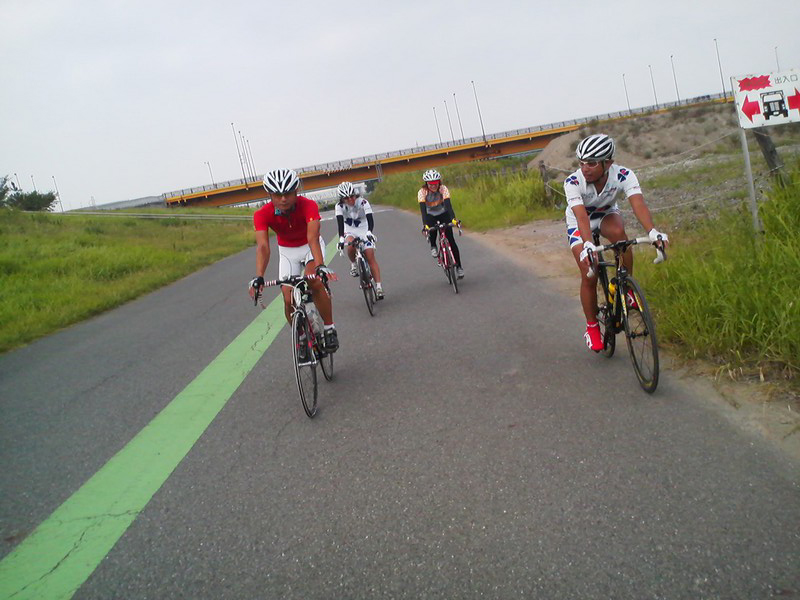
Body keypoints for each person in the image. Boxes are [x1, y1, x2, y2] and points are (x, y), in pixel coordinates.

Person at [564, 134, 669, 352]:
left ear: (608, 162)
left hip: (606, 214)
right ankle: (592, 326)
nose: (585, 168)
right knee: (589, 271)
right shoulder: (573, 181)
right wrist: (588, 244)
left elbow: (638, 204)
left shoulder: (623, 175)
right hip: (579, 220)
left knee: (620, 235)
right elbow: (581, 217)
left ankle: (625, 287)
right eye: (581, 163)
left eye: (591, 163)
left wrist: (652, 232)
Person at [249, 168, 339, 352]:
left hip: (309, 246)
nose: (283, 199)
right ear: (270, 194)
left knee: (314, 281)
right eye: (278, 195)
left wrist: (320, 265)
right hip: (287, 251)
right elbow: (263, 247)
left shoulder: (309, 205)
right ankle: (302, 338)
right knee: (287, 297)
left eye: (288, 193)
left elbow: (313, 238)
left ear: (296, 190)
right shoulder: (261, 214)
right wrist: (259, 276)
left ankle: (330, 328)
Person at [335, 181, 384, 300]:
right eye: (346, 198)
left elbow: (370, 219)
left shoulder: (363, 202)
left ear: (355, 194)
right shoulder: (339, 207)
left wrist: (369, 232)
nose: (350, 199)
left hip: (364, 228)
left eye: (352, 196)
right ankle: (353, 263)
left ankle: (379, 287)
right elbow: (340, 224)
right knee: (351, 245)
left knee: (370, 256)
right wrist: (341, 239)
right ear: (342, 199)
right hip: (349, 229)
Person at [418, 169, 464, 278]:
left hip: (443, 213)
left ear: (439, 182)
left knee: (451, 241)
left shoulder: (443, 189)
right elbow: (423, 211)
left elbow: (448, 206)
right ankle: (433, 245)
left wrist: (453, 219)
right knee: (432, 228)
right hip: (430, 215)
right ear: (426, 183)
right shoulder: (422, 192)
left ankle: (459, 267)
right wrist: (425, 225)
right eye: (431, 184)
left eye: (436, 183)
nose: (433, 186)